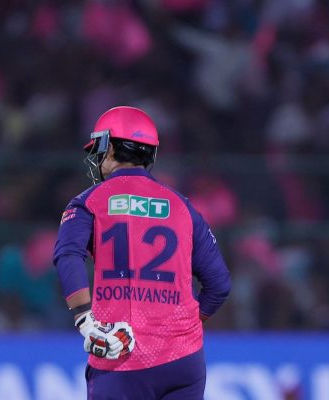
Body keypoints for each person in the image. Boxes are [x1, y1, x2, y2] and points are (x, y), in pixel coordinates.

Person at [53, 106, 231, 399]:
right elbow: (219, 284)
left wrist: (84, 318)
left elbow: (68, 256)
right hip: (184, 361)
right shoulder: (183, 207)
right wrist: (181, 328)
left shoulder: (88, 202)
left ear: (110, 147)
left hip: (121, 356)